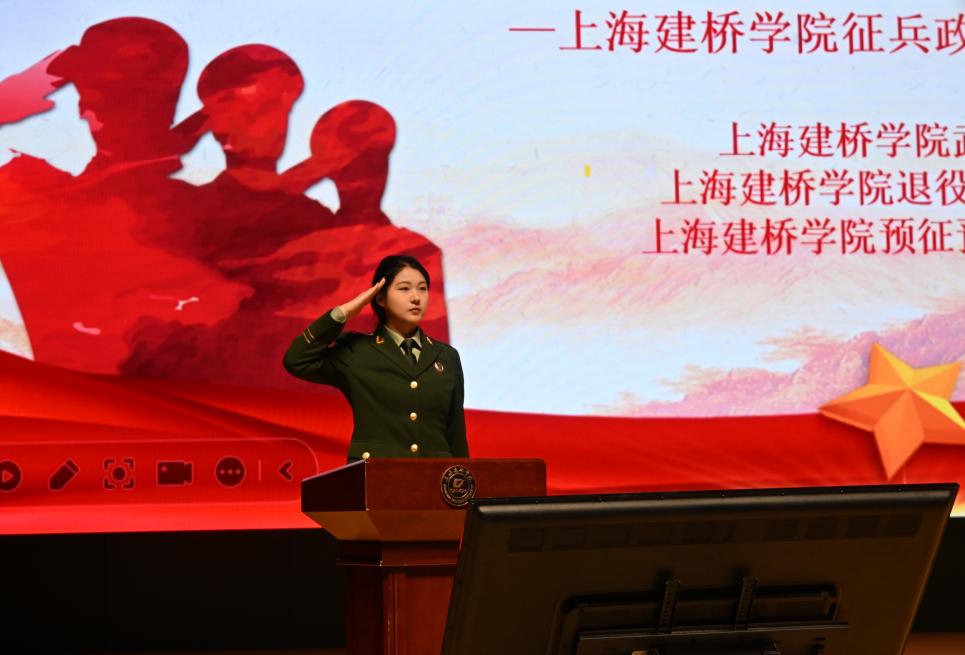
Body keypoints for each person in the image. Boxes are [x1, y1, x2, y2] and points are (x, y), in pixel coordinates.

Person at [283, 254, 468, 460]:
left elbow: (456, 436)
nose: (416, 297)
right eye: (404, 288)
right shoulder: (357, 351)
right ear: (380, 298)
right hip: (376, 474)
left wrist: (462, 479)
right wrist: (343, 313)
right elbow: (297, 360)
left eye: (422, 288)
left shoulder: (447, 356)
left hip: (434, 477)